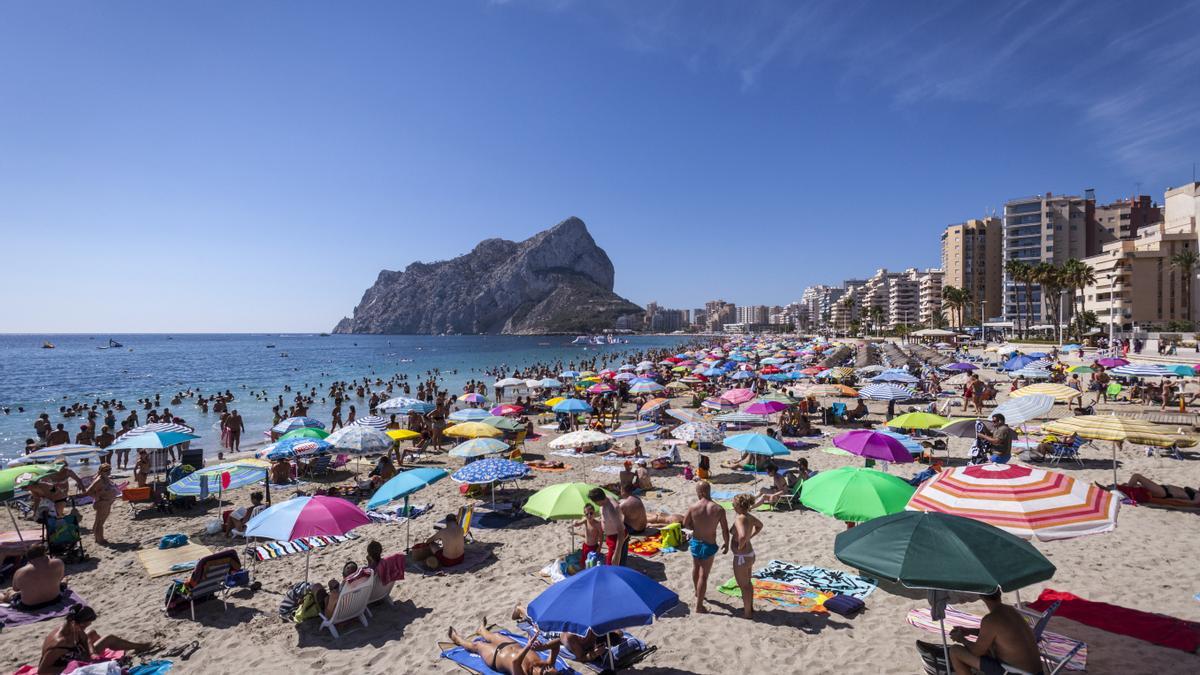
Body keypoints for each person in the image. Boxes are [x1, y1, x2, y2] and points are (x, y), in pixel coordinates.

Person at [39, 604, 155, 675]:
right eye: (85, 625)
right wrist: (73, 665)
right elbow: (42, 671)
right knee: (109, 638)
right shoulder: (59, 643)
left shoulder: (72, 626)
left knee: (92, 633)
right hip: (65, 668)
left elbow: (85, 639)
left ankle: (101, 659)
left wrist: (92, 653)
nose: (85, 627)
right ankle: (141, 647)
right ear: (75, 623)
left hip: (74, 656)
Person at [948, 590, 1044, 675]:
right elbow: (1001, 634)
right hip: (1038, 672)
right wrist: (969, 631)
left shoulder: (990, 619)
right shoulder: (1011, 610)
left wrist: (962, 639)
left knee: (955, 651)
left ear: (981, 597)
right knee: (991, 649)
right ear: (1000, 593)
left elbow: (977, 652)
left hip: (1016, 672)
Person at [447, 620, 562, 675]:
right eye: (550, 668)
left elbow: (515, 663)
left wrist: (528, 646)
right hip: (512, 645)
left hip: (495, 657)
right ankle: (481, 630)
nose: (547, 667)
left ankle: (457, 639)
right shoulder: (546, 664)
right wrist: (542, 647)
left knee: (478, 645)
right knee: (496, 635)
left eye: (546, 671)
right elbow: (557, 644)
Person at [682, 481, 729, 613]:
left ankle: (698, 593)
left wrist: (694, 528)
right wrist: (727, 543)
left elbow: (685, 524)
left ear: (701, 492)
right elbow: (725, 530)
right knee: (704, 575)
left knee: (696, 569)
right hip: (709, 544)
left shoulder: (693, 507)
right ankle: (699, 606)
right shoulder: (718, 509)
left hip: (696, 542)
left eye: (697, 492)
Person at [729, 493, 764, 619]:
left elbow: (742, 536)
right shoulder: (749, 516)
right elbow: (760, 525)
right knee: (748, 584)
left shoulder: (740, 518)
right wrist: (751, 536)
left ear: (739, 506)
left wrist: (738, 547)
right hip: (750, 555)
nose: (732, 506)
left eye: (734, 504)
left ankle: (747, 613)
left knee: (744, 586)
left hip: (741, 557)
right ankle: (750, 608)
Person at [0, 544, 66, 609]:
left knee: (10, 592)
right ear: (44, 554)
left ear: (29, 558)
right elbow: (60, 578)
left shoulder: (20, 572)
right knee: (64, 580)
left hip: (30, 606)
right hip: (55, 599)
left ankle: (2, 597)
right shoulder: (58, 562)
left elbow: (16, 588)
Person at [82, 464, 120, 545]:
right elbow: (88, 491)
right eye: (106, 470)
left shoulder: (105, 478)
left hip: (106, 502)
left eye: (109, 469)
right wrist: (96, 497)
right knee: (100, 523)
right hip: (102, 502)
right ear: (101, 471)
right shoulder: (99, 480)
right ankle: (101, 540)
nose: (108, 471)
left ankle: (97, 538)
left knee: (98, 521)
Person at [588, 487, 625, 565]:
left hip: (615, 537)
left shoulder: (611, 509)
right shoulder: (607, 497)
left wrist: (617, 553)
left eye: (595, 502)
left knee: (611, 564)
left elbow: (621, 532)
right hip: (610, 536)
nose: (595, 504)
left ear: (599, 500)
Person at [1123, 473, 1200, 505]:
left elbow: (1194, 503)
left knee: (1136, 476)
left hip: (1164, 492)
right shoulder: (1196, 491)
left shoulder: (1198, 495)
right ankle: (1126, 490)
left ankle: (1126, 492)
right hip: (1163, 489)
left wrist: (1172, 501)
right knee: (1135, 485)